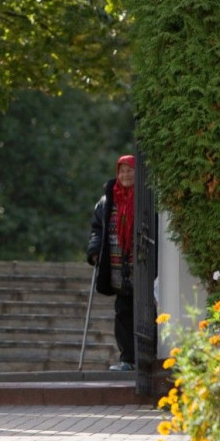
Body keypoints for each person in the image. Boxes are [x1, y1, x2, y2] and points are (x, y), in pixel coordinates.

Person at [86, 155, 136, 371]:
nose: (125, 175)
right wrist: (95, 250)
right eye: (122, 171)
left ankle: (147, 357)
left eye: (129, 170)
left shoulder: (145, 198)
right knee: (123, 312)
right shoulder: (107, 201)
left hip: (140, 265)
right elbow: (98, 229)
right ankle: (127, 359)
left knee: (147, 312)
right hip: (116, 266)